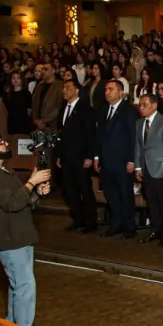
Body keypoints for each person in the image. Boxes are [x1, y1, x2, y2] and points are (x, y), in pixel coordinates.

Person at [0, 132, 52, 326]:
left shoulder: (5, 171)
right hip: (8, 238)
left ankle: (12, 325)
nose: (7, 145)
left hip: (19, 234)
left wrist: (37, 192)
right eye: (2, 143)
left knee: (17, 284)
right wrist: (32, 182)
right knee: (25, 285)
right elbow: (12, 202)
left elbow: (23, 200)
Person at [94, 79, 139, 239]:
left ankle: (129, 226)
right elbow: (99, 136)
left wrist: (132, 160)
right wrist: (97, 156)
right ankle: (116, 223)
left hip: (122, 162)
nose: (107, 92)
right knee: (111, 194)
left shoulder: (129, 111)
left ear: (121, 93)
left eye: (111, 89)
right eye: (106, 89)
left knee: (125, 194)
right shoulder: (103, 110)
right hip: (106, 161)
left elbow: (133, 138)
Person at [133, 94, 163, 245]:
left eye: (145, 105)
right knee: (151, 202)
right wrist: (138, 166)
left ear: (154, 106)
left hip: (161, 168)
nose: (141, 108)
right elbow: (139, 146)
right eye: (140, 105)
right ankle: (155, 229)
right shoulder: (139, 123)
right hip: (147, 169)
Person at [56, 78, 96, 233]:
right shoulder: (63, 109)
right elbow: (61, 135)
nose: (64, 90)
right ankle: (78, 220)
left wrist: (89, 156)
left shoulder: (85, 109)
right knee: (70, 190)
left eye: (68, 87)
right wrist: (59, 155)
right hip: (67, 157)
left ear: (77, 90)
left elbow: (90, 134)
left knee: (85, 189)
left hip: (81, 157)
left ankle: (90, 222)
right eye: (63, 88)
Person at [31, 63, 61, 130]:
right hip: (37, 126)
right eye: (42, 69)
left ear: (53, 71)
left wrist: (44, 120)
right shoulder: (39, 86)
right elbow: (34, 104)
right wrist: (35, 120)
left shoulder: (60, 86)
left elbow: (59, 107)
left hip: (52, 126)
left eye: (46, 69)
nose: (43, 71)